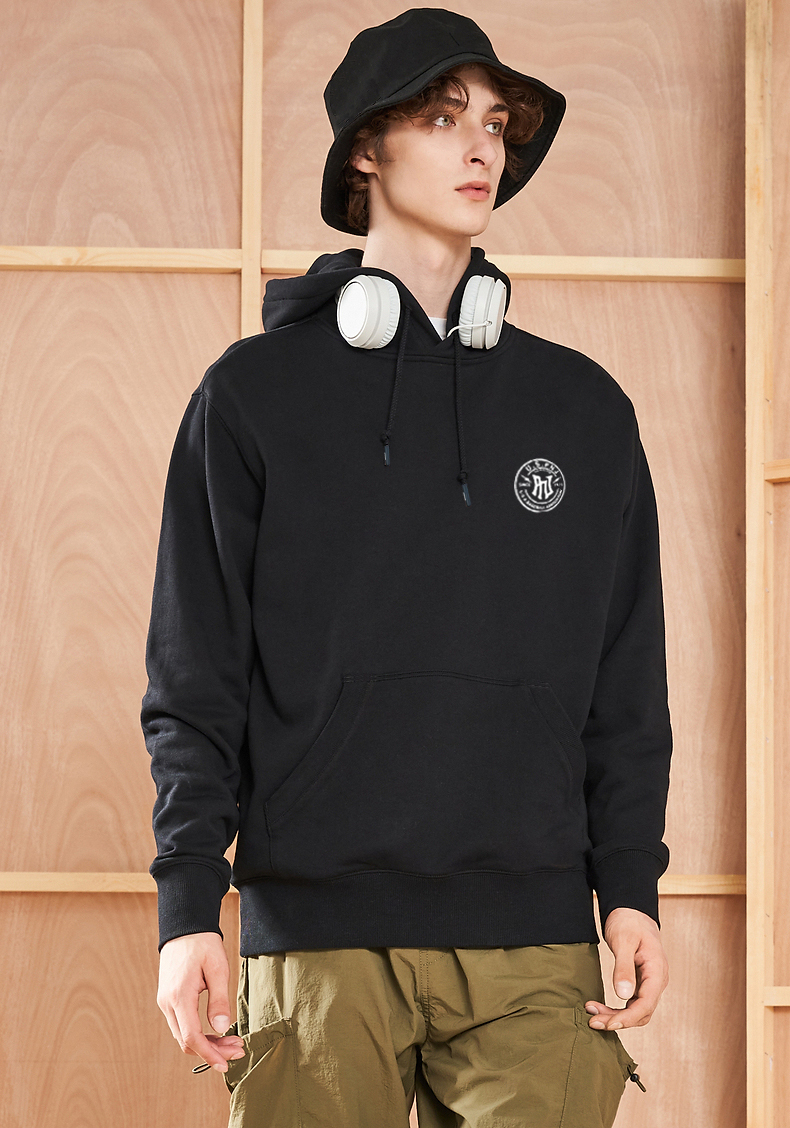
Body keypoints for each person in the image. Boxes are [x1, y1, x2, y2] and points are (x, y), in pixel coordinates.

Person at [142, 8, 673, 1126]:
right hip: (318, 940)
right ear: (364, 154)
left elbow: (627, 685)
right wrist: (188, 905)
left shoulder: (583, 412)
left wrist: (629, 887)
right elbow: (196, 678)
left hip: (536, 941)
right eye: (442, 118)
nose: (482, 147)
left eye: (496, 124)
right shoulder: (252, 398)